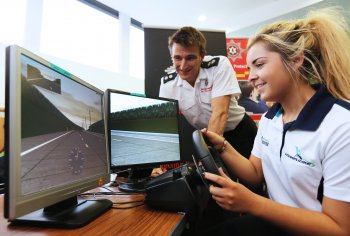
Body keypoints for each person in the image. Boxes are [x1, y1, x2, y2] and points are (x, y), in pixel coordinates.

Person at [202, 7, 350, 235]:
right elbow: (254, 173)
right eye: (249, 67)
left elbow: (339, 228)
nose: (250, 76)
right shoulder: (271, 118)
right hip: (275, 223)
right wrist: (221, 145)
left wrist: (253, 203)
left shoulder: (341, 125)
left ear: (296, 60)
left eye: (259, 64)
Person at [159, 26, 257, 159]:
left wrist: (208, 156)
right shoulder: (167, 84)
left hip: (241, 133)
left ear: (202, 56)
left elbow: (220, 113)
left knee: (251, 179)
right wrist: (160, 163)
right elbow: (166, 128)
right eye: (177, 58)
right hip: (207, 136)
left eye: (190, 58)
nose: (182, 66)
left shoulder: (218, 65)